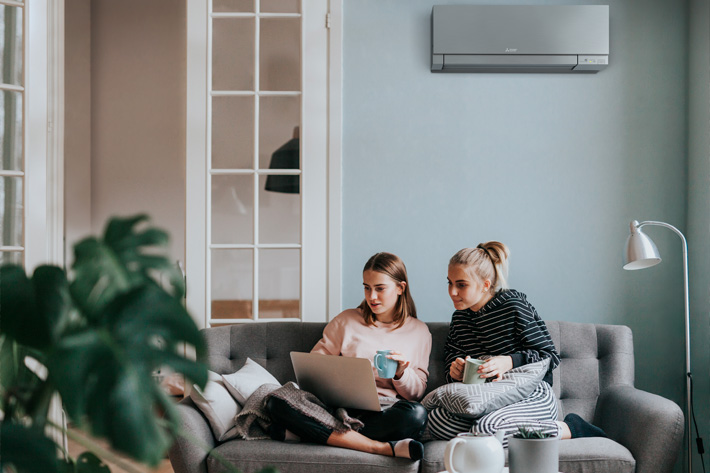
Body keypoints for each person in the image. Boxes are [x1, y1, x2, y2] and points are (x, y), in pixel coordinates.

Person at [426, 242, 607, 444]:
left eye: (461, 284)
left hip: (531, 394)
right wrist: (455, 369)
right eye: (449, 283)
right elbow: (453, 356)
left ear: (485, 284)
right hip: (486, 398)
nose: (452, 292)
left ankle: (570, 427)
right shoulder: (460, 318)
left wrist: (509, 362)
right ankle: (487, 430)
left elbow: (549, 356)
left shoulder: (513, 306)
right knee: (434, 421)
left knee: (487, 428)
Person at [266, 252, 432, 460]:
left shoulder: (419, 331)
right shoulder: (346, 320)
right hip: (335, 408)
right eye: (367, 287)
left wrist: (401, 374)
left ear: (400, 288)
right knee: (277, 401)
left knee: (416, 415)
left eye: (380, 289)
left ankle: (309, 432)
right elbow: (314, 365)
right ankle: (375, 446)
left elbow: (416, 393)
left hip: (382, 413)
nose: (372, 297)